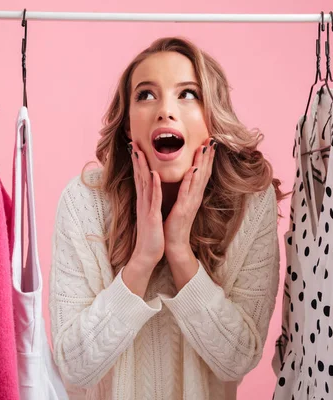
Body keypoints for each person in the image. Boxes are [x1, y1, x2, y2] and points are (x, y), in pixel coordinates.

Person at [49, 36, 284, 400]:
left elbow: (238, 359)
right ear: (128, 126)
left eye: (187, 93)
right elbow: (75, 366)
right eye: (145, 95)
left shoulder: (250, 203)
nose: (165, 110)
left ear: (212, 119)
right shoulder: (83, 203)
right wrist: (143, 259)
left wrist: (179, 252)